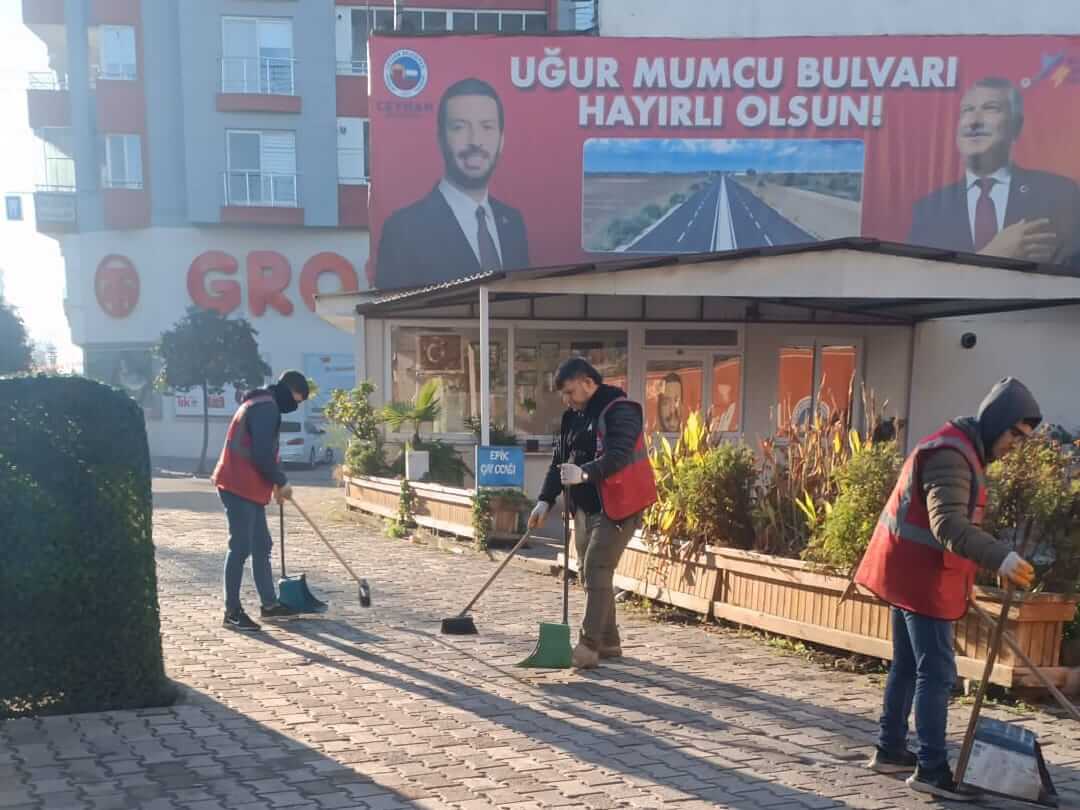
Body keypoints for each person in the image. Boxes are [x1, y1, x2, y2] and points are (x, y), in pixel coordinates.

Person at [856, 377, 1041, 800]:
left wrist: (973, 574)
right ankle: (932, 769)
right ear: (997, 421)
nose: (1016, 444)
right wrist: (1002, 558)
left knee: (907, 665)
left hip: (910, 573)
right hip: (921, 579)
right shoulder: (953, 456)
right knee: (936, 673)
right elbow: (948, 525)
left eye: (1023, 438)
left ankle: (890, 749)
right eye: (1015, 433)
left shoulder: (959, 448)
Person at [526, 357, 657, 669]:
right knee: (589, 572)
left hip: (619, 505)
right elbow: (560, 460)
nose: (566, 400)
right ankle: (610, 642)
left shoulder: (621, 410)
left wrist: (584, 474)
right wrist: (545, 499)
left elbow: (619, 456)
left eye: (570, 392)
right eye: (563, 395)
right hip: (585, 507)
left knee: (597, 566)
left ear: (588, 382)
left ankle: (588, 645)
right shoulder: (572, 417)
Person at [374, 77, 530, 290]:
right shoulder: (404, 230)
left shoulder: (513, 223)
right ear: (440, 138)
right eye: (459, 127)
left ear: (501, 140)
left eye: (487, 127)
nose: (475, 140)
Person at [908, 77, 1080, 265]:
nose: (973, 121)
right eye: (967, 110)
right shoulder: (928, 210)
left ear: (1016, 125)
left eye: (990, 108)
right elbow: (923, 283)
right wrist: (994, 254)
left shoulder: (1060, 194)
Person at [212, 370, 311, 632]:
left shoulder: (259, 402)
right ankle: (231, 612)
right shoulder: (266, 408)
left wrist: (276, 482)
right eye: (297, 400)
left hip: (248, 486)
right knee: (241, 547)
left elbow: (265, 450)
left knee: (261, 544)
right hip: (238, 484)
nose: (295, 406)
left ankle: (269, 605)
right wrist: (280, 480)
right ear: (289, 389)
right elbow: (261, 453)